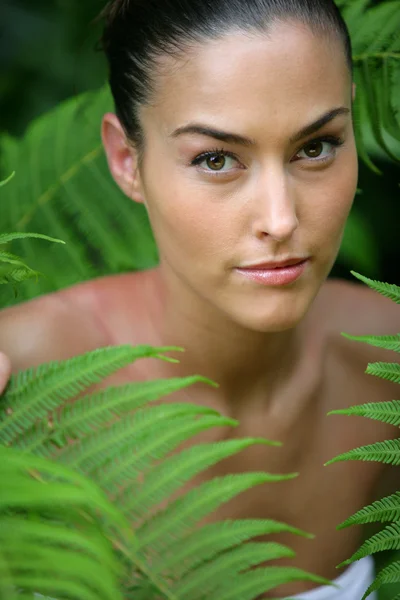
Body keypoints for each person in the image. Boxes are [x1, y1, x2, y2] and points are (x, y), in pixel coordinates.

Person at [0, 0, 399, 597]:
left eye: (315, 147)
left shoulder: (386, 363)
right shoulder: (23, 388)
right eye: (216, 159)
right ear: (126, 161)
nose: (280, 218)